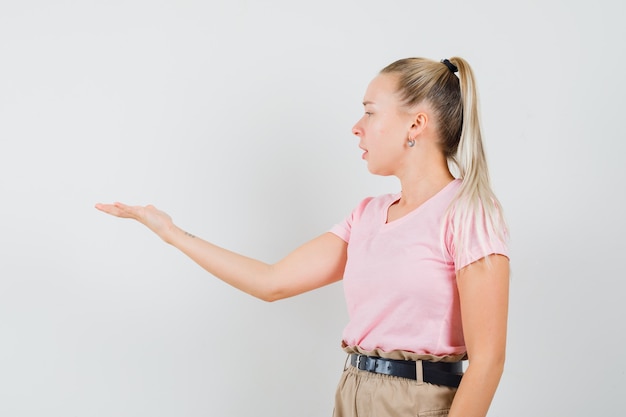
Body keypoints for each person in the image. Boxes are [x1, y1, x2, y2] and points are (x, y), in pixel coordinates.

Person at [96, 56, 509, 417]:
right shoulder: (366, 215)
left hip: (421, 403)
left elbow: (488, 360)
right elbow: (272, 282)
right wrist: (172, 233)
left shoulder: (468, 212)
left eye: (369, 112)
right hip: (353, 392)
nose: (356, 127)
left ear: (416, 123)